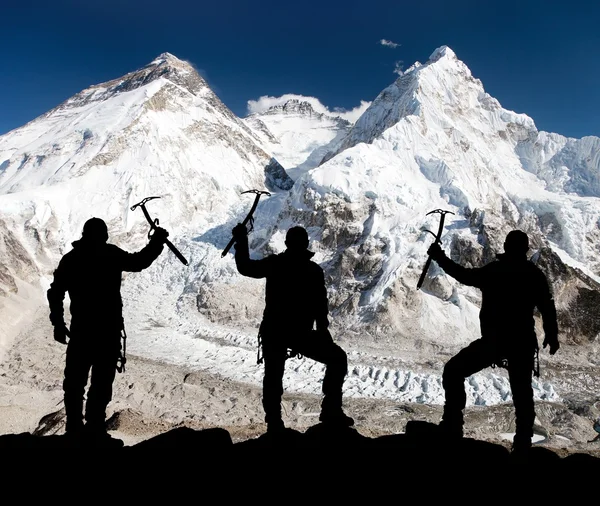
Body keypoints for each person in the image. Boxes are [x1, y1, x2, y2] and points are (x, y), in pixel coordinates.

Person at [426, 229, 559, 453]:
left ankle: (452, 426)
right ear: (525, 249)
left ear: (506, 247)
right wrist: (551, 334)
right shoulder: (533, 274)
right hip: (522, 342)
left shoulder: (495, 271)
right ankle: (523, 443)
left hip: (495, 341)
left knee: (453, 371)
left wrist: (439, 257)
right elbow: (547, 305)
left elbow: (464, 276)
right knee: (522, 393)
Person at [47, 217, 169, 445]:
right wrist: (157, 242)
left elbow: (55, 292)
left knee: (75, 382)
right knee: (101, 383)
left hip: (82, 332)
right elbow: (139, 262)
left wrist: (58, 323)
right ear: (103, 235)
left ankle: (74, 428)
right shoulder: (110, 254)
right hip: (107, 332)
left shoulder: (72, 259)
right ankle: (95, 428)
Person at [231, 223, 354, 433]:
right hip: (300, 334)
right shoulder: (313, 271)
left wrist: (241, 240)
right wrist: (323, 332)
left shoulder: (275, 264)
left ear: (287, 243)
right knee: (337, 359)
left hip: (275, 331)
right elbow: (320, 306)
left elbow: (245, 267)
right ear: (306, 244)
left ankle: (274, 422)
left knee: (273, 376)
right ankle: (331, 410)